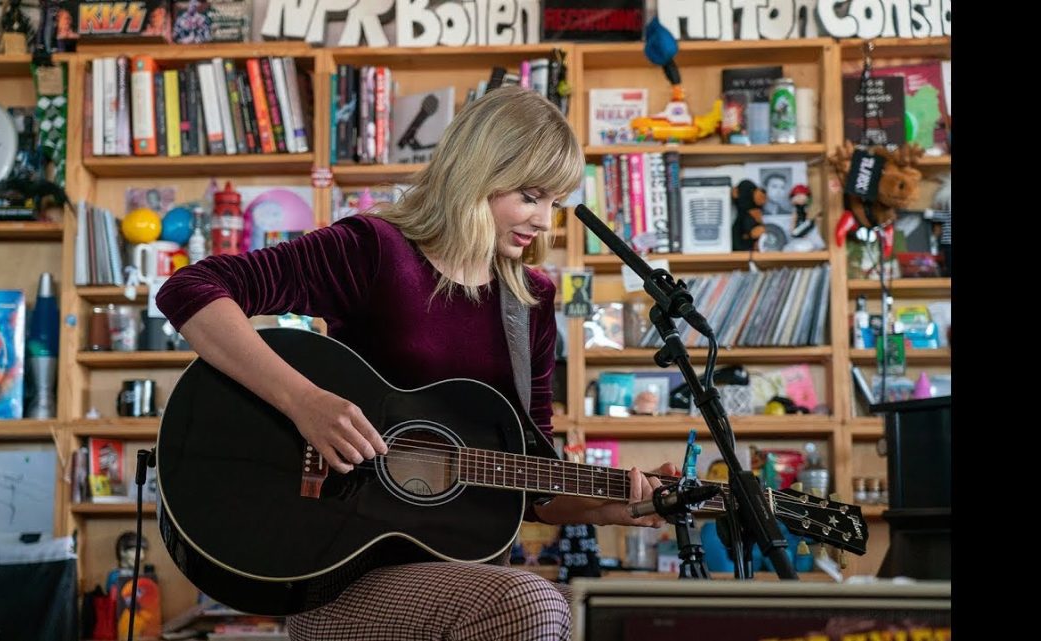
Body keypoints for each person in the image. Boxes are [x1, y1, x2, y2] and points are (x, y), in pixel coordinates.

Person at [155, 85, 676, 640]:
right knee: (533, 605)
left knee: (632, 613)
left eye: (554, 201)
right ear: (478, 172)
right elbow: (192, 288)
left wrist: (609, 506)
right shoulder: (374, 250)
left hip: (473, 578)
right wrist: (303, 401)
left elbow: (531, 483)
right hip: (339, 573)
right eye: (530, 195)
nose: (545, 220)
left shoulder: (532, 302)